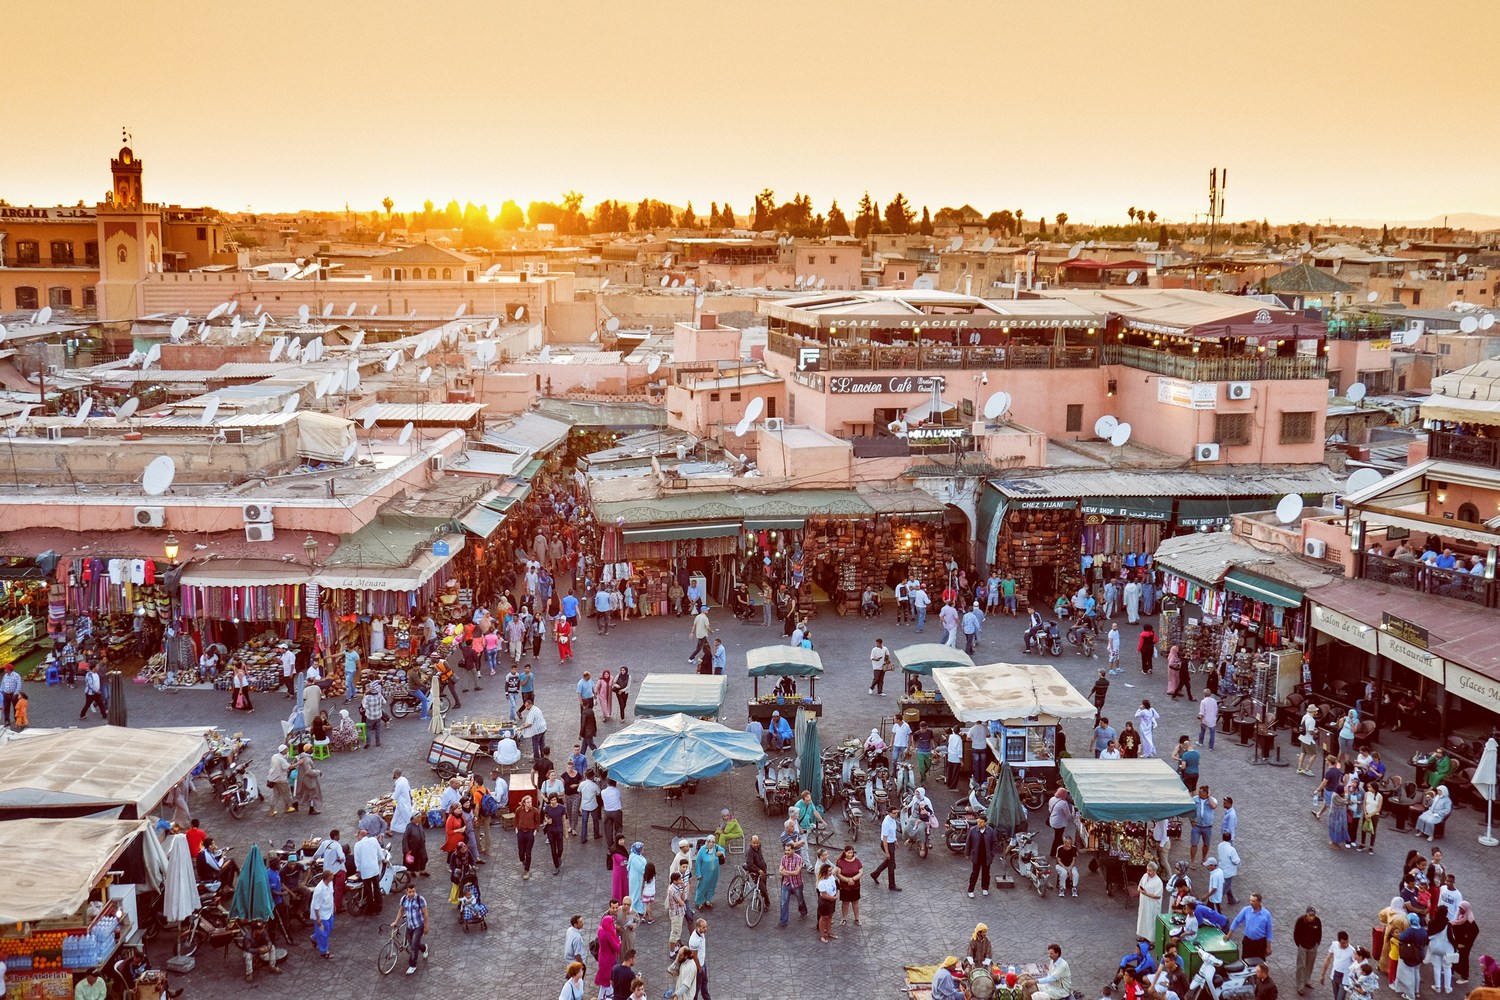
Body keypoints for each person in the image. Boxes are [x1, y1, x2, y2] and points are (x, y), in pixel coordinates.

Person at [392, 882, 428, 976]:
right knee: (412, 943)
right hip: (409, 926)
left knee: (413, 947)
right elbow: (401, 910)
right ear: (406, 891)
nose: (412, 893)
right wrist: (396, 922)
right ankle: (424, 948)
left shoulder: (420, 899)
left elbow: (425, 914)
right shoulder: (404, 899)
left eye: (413, 891)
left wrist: (426, 926)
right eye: (410, 892)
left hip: (418, 926)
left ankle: (412, 965)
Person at [1230, 894, 1274, 962]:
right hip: (1248, 942)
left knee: (1259, 962)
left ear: (1259, 902)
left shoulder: (1266, 914)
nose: (1251, 902)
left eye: (1253, 901)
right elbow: (1236, 921)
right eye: (1250, 900)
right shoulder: (1246, 910)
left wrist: (1268, 947)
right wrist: (1229, 934)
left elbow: (1269, 932)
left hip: (1260, 943)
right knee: (1246, 961)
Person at [869, 804, 901, 891]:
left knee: (889, 862)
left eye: (896, 813)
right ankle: (891, 885)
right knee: (891, 865)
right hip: (887, 844)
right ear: (889, 813)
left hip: (891, 843)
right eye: (894, 813)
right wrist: (887, 852)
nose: (896, 814)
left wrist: (895, 841)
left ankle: (875, 874)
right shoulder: (886, 823)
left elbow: (892, 832)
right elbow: (885, 839)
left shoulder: (893, 820)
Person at [966, 814, 998, 898]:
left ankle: (985, 888)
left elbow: (995, 843)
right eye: (978, 822)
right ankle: (970, 890)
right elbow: (968, 843)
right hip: (976, 856)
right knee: (974, 873)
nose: (979, 824)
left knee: (986, 873)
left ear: (985, 823)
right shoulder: (973, 830)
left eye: (981, 822)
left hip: (986, 856)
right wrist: (967, 854)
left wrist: (992, 854)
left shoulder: (990, 831)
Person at [1293, 906, 1324, 994]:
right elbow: (1296, 933)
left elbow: (1319, 933)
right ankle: (1300, 986)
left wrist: (1317, 943)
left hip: (1313, 946)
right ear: (1306, 914)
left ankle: (1306, 981)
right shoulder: (1300, 921)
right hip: (1303, 946)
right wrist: (1299, 944)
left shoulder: (1317, 921)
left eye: (1313, 915)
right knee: (1301, 966)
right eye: (1310, 915)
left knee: (1310, 965)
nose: (1312, 917)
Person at [777, 843, 807, 928]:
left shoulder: (799, 858)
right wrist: (791, 872)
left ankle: (803, 911)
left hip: (797, 884)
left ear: (793, 850)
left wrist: (785, 872)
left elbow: (796, 872)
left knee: (800, 901)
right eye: (786, 850)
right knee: (783, 903)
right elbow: (780, 871)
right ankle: (783, 921)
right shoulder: (783, 858)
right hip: (786, 883)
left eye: (788, 850)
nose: (787, 852)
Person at [1320, 930, 1357, 1000]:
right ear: (1339, 941)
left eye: (1347, 942)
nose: (1345, 944)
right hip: (1334, 975)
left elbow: (1356, 965)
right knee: (1336, 997)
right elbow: (1328, 959)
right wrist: (1322, 975)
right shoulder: (1334, 945)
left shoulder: (1352, 951)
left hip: (1345, 978)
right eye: (1343, 943)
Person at [309, 871, 335, 959]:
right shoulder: (319, 890)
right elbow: (316, 906)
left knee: (330, 928)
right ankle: (324, 952)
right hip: (321, 915)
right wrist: (318, 918)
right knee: (324, 933)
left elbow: (331, 895)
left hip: (329, 912)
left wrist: (333, 905)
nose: (333, 876)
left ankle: (314, 937)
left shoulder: (330, 884)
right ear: (327, 877)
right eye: (331, 875)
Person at [1136, 861, 1164, 940]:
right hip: (1144, 903)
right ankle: (1143, 936)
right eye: (1147, 870)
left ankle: (1150, 939)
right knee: (1143, 919)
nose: (1148, 872)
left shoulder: (1158, 882)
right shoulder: (1145, 876)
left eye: (1150, 871)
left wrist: (1146, 893)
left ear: (1154, 871)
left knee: (1150, 922)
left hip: (1152, 906)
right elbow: (1139, 885)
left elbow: (1158, 896)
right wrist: (1140, 890)